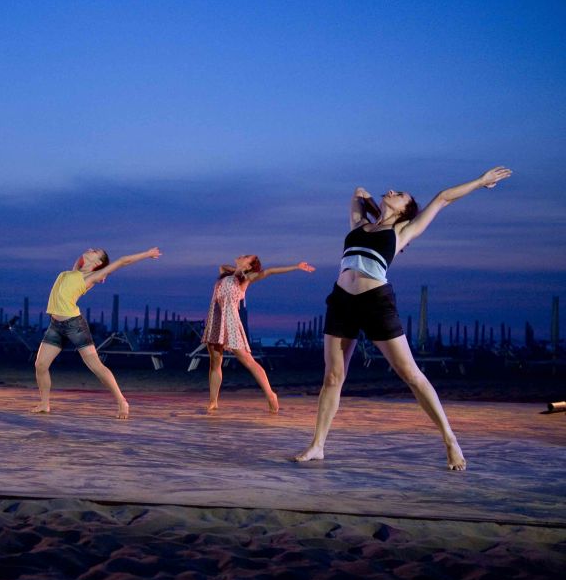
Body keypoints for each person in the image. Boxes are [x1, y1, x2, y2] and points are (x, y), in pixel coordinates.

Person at [295, 166, 512, 470]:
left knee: (410, 373)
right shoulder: (359, 224)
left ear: (406, 212)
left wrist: (480, 182)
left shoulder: (402, 232)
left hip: (376, 303)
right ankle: (318, 445)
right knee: (333, 377)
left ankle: (450, 439)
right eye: (393, 191)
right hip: (342, 302)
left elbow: (442, 199)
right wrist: (381, 208)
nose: (393, 191)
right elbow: (358, 190)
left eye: (400, 195)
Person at [32, 246, 161, 420]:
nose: (89, 249)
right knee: (40, 365)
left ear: (98, 262)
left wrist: (147, 254)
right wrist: (85, 258)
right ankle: (45, 404)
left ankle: (122, 401)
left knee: (96, 366)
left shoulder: (91, 277)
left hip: (74, 325)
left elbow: (122, 261)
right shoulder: (73, 272)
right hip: (55, 325)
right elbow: (79, 263)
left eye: (94, 251)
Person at [203, 256, 314, 414]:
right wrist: (237, 270)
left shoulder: (246, 279)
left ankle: (271, 395)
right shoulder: (226, 273)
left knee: (248, 361)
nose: (242, 256)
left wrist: (296, 266)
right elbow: (222, 265)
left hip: (231, 323)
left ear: (249, 266)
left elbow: (270, 271)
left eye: (247, 257)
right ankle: (213, 401)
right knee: (215, 362)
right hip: (215, 319)